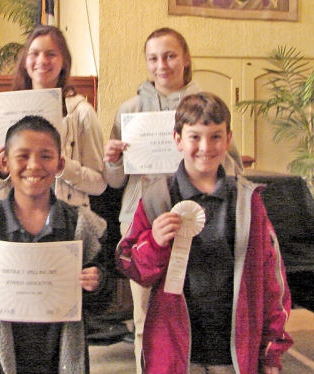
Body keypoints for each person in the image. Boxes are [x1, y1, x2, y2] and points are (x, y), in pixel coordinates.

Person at [116, 93, 293, 374]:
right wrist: (155, 242)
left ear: (228, 138)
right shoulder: (156, 198)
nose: (205, 147)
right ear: (177, 139)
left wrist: (272, 347)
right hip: (175, 353)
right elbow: (131, 268)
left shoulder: (248, 201)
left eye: (215, 137)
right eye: (194, 137)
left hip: (234, 352)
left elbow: (272, 277)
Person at [103, 28, 244, 372]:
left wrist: (207, 154)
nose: (162, 65)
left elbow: (235, 169)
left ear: (186, 58)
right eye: (153, 58)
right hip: (145, 217)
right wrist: (113, 159)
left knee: (198, 312)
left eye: (170, 55)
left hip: (202, 220)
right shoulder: (130, 109)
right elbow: (114, 181)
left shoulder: (208, 106)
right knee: (146, 317)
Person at [0, 115, 108, 373]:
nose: (34, 166)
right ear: (5, 162)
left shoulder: (80, 225)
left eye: (45, 156)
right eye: (22, 155)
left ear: (59, 164)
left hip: (59, 354)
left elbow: (101, 302)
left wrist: (97, 282)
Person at [0, 25, 108, 207]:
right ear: (25, 61)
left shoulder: (82, 113)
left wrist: (64, 167)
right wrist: (0, 171)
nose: (42, 60)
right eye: (34, 53)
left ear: (64, 62)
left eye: (51, 54)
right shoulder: (5, 110)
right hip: (13, 220)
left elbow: (99, 184)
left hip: (66, 218)